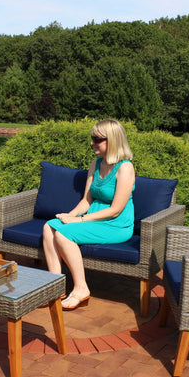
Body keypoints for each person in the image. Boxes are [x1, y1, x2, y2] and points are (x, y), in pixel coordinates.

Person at [43, 119, 135, 310]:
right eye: (92, 138)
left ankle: (81, 288)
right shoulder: (96, 164)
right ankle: (54, 287)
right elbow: (86, 201)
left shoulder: (125, 168)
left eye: (97, 139)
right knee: (49, 226)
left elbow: (115, 209)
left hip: (116, 224)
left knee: (63, 234)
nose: (92, 143)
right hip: (94, 218)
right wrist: (68, 216)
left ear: (112, 140)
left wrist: (79, 220)